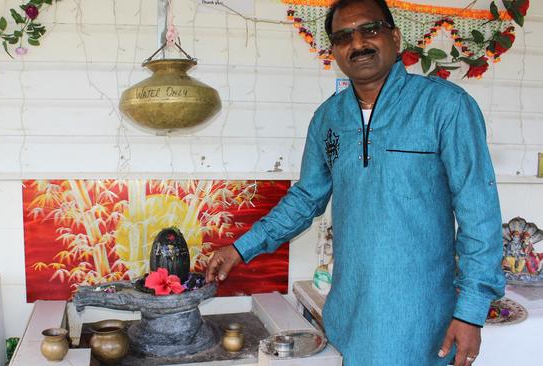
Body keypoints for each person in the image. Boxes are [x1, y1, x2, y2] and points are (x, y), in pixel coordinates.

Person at [205, 0, 505, 365]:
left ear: (395, 37)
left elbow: (479, 214)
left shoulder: (445, 107)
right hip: (348, 315)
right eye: (343, 36)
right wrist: (240, 248)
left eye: (370, 29)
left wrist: (470, 311)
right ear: (334, 51)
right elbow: (305, 199)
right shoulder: (328, 119)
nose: (358, 43)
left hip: (423, 320)